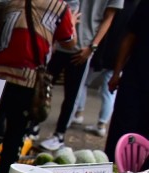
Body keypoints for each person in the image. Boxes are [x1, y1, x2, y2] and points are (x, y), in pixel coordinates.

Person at [0, 0, 77, 173]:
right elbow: (70, 43)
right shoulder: (59, 7)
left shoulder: (12, 1)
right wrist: (72, 22)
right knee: (14, 138)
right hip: (25, 79)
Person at [38, 0, 123, 151]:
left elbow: (109, 17)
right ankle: (33, 126)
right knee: (43, 87)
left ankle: (59, 135)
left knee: (72, 95)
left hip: (82, 47)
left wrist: (92, 47)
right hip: (58, 41)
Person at [70, 0, 137, 137]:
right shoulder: (135, 8)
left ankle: (79, 112)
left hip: (104, 52)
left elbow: (108, 26)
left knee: (84, 83)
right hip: (119, 56)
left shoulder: (117, 7)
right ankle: (101, 124)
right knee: (109, 92)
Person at [104, 0, 149, 160]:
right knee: (119, 137)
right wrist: (116, 73)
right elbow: (130, 37)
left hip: (135, 82)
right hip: (133, 83)